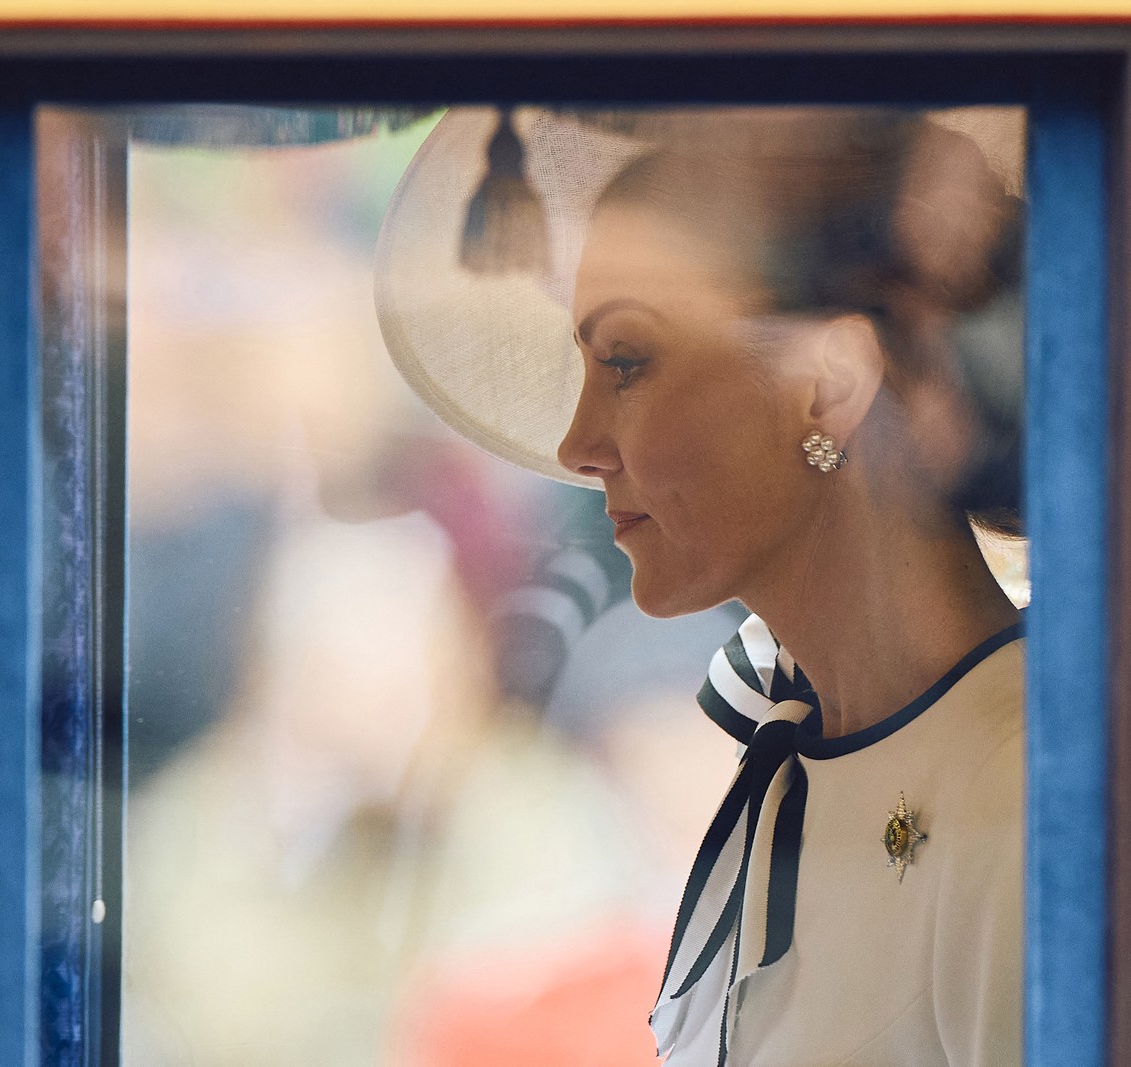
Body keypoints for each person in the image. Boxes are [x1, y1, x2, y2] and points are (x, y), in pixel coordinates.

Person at [376, 105, 1027, 1067]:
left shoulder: (1015, 794)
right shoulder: (789, 761)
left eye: (628, 361)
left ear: (829, 383)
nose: (577, 444)